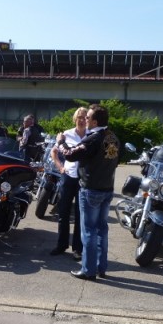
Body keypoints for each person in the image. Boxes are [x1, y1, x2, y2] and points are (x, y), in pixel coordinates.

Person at [58, 104, 120, 280]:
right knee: (102, 230)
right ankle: (101, 267)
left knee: (89, 231)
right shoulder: (113, 137)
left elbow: (69, 154)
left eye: (88, 117)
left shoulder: (94, 138)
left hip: (91, 189)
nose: (85, 120)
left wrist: (60, 142)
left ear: (95, 122)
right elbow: (116, 160)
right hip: (107, 189)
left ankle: (88, 270)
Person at [49, 107, 87, 260]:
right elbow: (54, 152)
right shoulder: (67, 134)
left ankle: (77, 248)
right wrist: (60, 167)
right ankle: (61, 244)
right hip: (68, 176)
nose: (82, 120)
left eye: (85, 117)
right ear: (75, 119)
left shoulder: (91, 136)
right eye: (79, 117)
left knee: (80, 214)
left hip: (83, 179)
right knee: (63, 212)